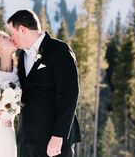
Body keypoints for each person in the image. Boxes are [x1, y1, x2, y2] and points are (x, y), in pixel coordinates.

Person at [7, 9, 81, 157]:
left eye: (12, 33)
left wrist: (58, 135)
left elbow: (69, 95)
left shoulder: (59, 50)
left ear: (22, 29)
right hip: (27, 140)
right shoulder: (20, 57)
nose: (11, 38)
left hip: (54, 140)